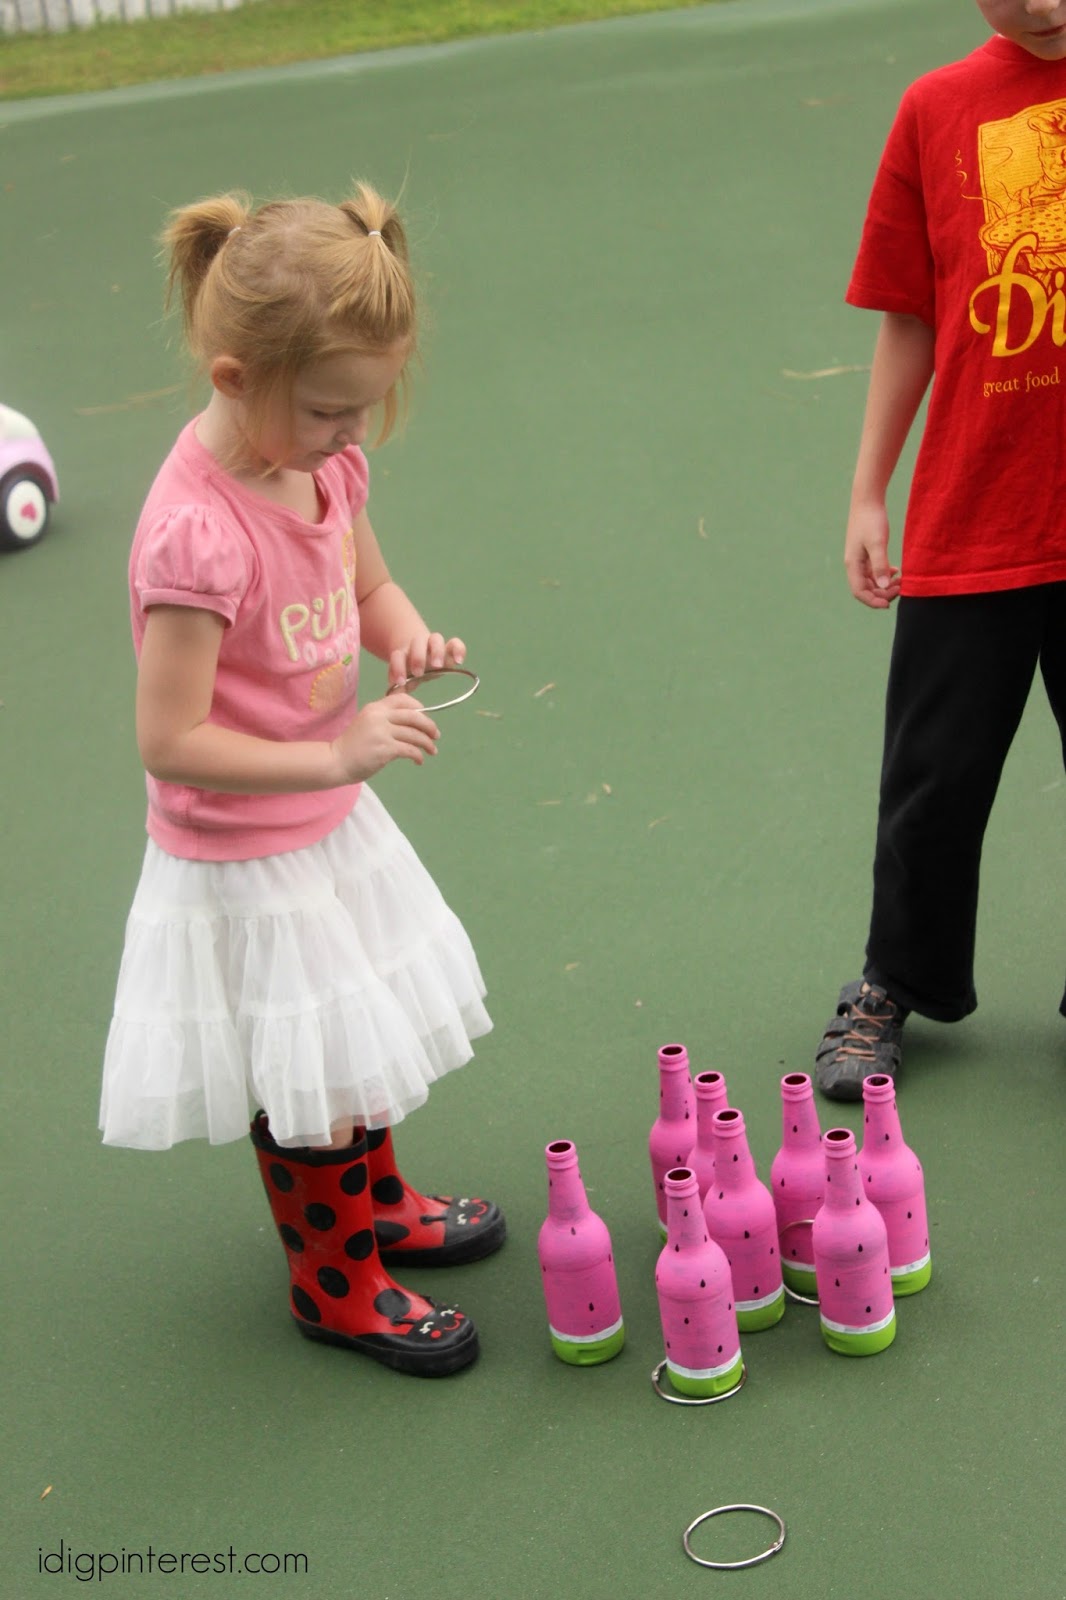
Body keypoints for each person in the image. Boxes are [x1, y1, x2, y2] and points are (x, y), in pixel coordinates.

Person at [99, 186, 504, 1375]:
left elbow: (369, 584)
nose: (349, 434)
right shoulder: (196, 536)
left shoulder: (322, 470)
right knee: (313, 1065)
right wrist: (332, 751)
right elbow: (169, 738)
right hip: (246, 843)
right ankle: (334, 1283)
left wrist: (409, 637)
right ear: (234, 379)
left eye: (363, 409)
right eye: (330, 409)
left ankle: (373, 1208)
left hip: (322, 814)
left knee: (352, 1028)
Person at [815, 0, 1066, 1100]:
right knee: (933, 773)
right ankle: (892, 981)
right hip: (978, 509)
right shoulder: (939, 109)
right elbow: (909, 314)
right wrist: (869, 489)